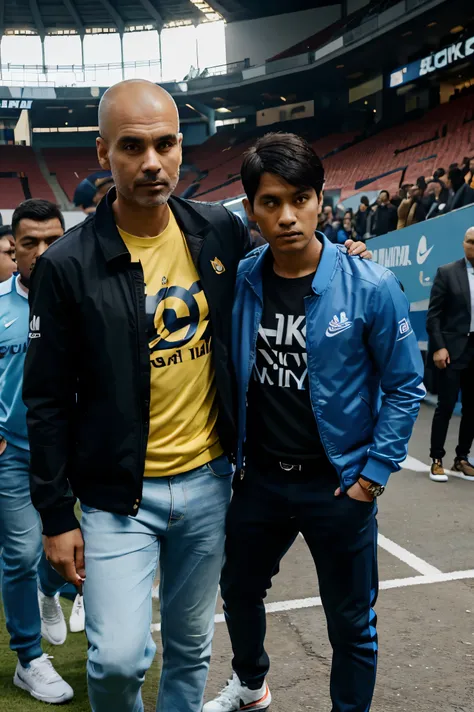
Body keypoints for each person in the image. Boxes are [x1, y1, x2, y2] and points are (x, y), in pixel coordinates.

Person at [23, 81, 369, 712]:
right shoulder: (67, 265)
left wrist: (346, 259)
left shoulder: (218, 232)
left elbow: (291, 262)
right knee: (119, 659)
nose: (151, 161)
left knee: (190, 649)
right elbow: (44, 401)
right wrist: (54, 516)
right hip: (116, 497)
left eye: (164, 144)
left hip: (210, 484)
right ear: (104, 153)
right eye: (132, 147)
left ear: (182, 148)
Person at [204, 133, 425, 712]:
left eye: (299, 198)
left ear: (321, 199)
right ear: (250, 209)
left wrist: (370, 479)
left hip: (338, 484)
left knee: (352, 625)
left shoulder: (371, 286)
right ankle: (252, 683)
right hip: (259, 483)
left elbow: (405, 388)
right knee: (239, 591)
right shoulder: (241, 281)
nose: (286, 216)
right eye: (270, 202)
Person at [0, 199, 74, 704]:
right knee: (20, 556)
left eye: (53, 240)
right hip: (16, 453)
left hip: (76, 452)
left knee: (76, 548)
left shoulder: (84, 298)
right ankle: (29, 659)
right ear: (13, 247)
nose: (43, 252)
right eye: (31, 243)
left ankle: (52, 591)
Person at [426, 227, 474, 482]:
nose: (473, 246)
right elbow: (434, 316)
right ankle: (436, 459)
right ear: (463, 243)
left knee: (472, 410)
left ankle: (462, 458)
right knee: (445, 406)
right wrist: (439, 347)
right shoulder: (447, 272)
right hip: (452, 351)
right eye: (470, 241)